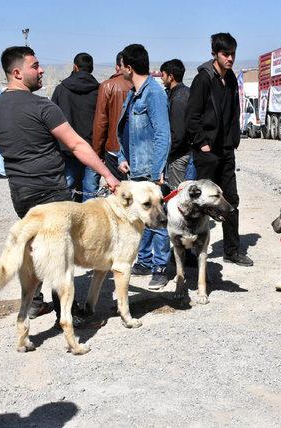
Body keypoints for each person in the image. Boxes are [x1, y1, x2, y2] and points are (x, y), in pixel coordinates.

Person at [0, 46, 120, 328]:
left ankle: (34, 303)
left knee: (35, 245)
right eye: (35, 66)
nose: (41, 70)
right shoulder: (41, 106)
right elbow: (76, 144)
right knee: (60, 255)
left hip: (21, 194)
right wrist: (107, 174)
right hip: (52, 192)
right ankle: (65, 314)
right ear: (17, 72)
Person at [186, 32, 253, 267]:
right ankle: (192, 252)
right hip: (207, 151)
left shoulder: (231, 78)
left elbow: (233, 110)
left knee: (230, 199)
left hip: (226, 149)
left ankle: (232, 250)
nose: (230, 58)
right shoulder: (203, 79)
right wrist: (202, 142)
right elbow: (192, 115)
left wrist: (234, 138)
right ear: (215, 54)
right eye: (226, 54)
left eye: (233, 54)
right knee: (201, 202)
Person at [116, 44, 171, 289]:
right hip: (135, 168)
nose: (118, 70)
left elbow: (162, 134)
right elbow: (127, 131)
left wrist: (158, 169)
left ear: (129, 67)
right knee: (141, 217)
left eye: (121, 66)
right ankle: (145, 260)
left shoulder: (154, 93)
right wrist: (122, 157)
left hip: (150, 171)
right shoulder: (133, 93)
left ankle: (160, 267)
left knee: (158, 219)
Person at [51, 52, 100, 201]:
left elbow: (51, 119)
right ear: (91, 68)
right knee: (90, 191)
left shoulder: (61, 89)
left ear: (75, 67)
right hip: (92, 147)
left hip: (67, 147)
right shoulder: (99, 90)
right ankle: (89, 223)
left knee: (68, 187)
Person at [88, 51, 132, 200]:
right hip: (138, 150)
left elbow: (101, 122)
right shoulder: (141, 85)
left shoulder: (107, 86)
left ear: (117, 67)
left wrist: (97, 153)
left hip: (114, 150)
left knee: (118, 194)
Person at [160, 58, 194, 189]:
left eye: (163, 75)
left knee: (178, 195)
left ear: (171, 76)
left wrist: (167, 153)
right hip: (186, 152)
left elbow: (178, 133)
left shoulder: (178, 98)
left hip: (179, 156)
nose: (162, 79)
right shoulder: (186, 92)